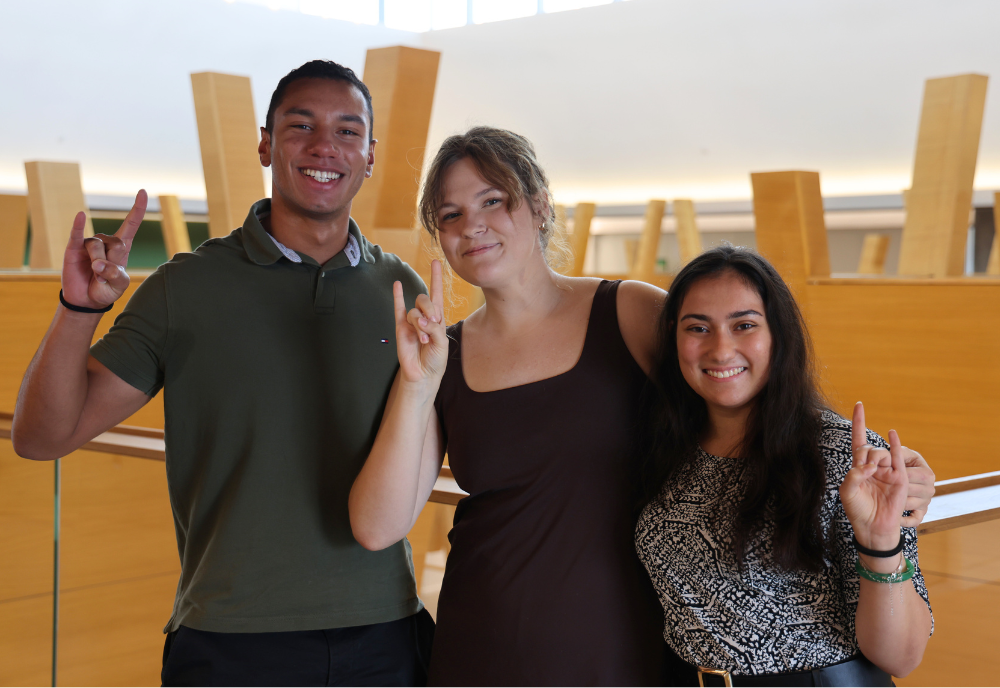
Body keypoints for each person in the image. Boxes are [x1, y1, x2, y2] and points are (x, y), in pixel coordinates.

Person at [347, 128, 935, 685]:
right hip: (484, 641)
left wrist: (892, 474)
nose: (472, 225)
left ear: (540, 203)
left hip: (627, 647)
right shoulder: (441, 357)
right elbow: (378, 526)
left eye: (493, 200)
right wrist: (416, 384)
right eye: (450, 215)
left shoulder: (627, 312)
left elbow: (743, 388)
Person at [11, 60, 434, 686]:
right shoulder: (186, 285)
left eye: (348, 131)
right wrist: (80, 309)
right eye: (301, 125)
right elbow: (42, 436)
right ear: (265, 144)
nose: (325, 146)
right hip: (231, 640)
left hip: (386, 633)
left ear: (370, 155)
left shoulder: (404, 288)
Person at [634, 245, 934, 687]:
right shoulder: (665, 448)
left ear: (779, 335)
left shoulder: (845, 458)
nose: (721, 348)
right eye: (698, 327)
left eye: (745, 325)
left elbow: (901, 657)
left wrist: (881, 540)